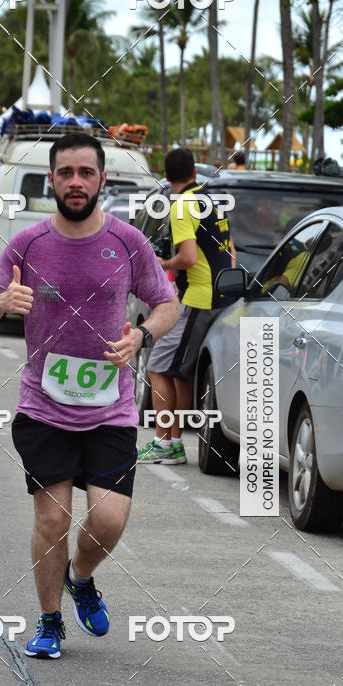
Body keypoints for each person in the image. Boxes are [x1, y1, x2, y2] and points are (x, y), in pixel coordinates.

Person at [0, 132, 179, 659]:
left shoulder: (129, 242)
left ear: (102, 179)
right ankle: (49, 622)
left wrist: (142, 335)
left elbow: (167, 302)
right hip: (44, 407)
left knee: (108, 520)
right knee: (52, 520)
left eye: (86, 173)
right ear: (52, 180)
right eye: (66, 173)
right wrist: (1, 303)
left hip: (110, 409)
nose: (76, 182)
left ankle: (79, 576)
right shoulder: (28, 243)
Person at [137, 147, 236, 465]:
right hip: (219, 296)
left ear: (166, 176)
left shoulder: (181, 207)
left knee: (156, 366)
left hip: (195, 299)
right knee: (179, 373)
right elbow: (231, 252)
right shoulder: (212, 201)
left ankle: (163, 443)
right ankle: (175, 443)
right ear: (194, 172)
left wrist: (162, 263)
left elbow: (189, 258)